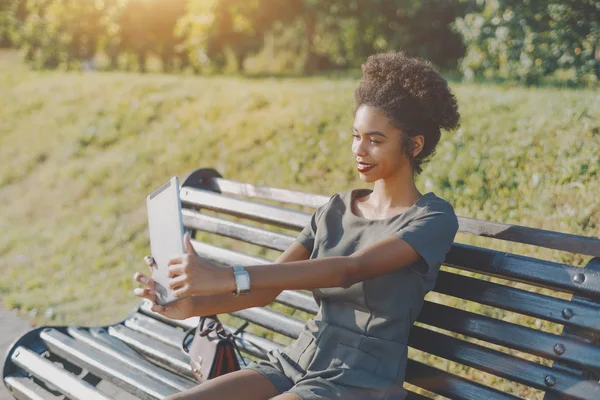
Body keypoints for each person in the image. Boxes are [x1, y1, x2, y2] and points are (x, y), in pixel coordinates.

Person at [133, 51, 460, 400]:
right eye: (356, 135)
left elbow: (350, 269)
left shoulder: (431, 218)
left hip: (359, 379)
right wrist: (192, 306)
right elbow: (267, 288)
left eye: (375, 140)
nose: (359, 150)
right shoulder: (336, 210)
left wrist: (228, 274)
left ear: (414, 145)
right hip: (296, 362)